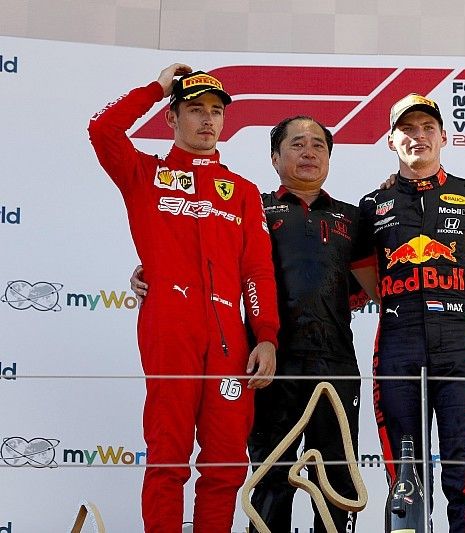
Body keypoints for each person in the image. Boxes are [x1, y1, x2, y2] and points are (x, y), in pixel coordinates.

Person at [131, 116, 377, 532]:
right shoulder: (251, 204)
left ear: (330, 157)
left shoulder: (354, 219)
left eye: (318, 145)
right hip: (267, 364)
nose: (309, 153)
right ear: (275, 157)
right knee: (269, 477)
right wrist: (148, 271)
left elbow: (375, 288)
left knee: (334, 478)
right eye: (297, 144)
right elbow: (204, 254)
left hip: (336, 361)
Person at [88, 64, 280, 532]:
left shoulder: (243, 192)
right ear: (171, 118)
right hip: (169, 327)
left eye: (216, 111)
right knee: (167, 456)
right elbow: (102, 128)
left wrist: (267, 336)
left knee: (227, 461)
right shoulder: (143, 174)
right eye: (195, 110)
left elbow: (257, 270)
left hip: (229, 339)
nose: (208, 120)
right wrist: (156, 87)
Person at [355, 93, 465, 532]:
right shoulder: (372, 206)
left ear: (444, 136)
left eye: (427, 127)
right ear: (391, 141)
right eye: (407, 129)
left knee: (463, 483)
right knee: (405, 485)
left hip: (461, 349)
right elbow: (343, 286)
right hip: (397, 350)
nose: (418, 136)